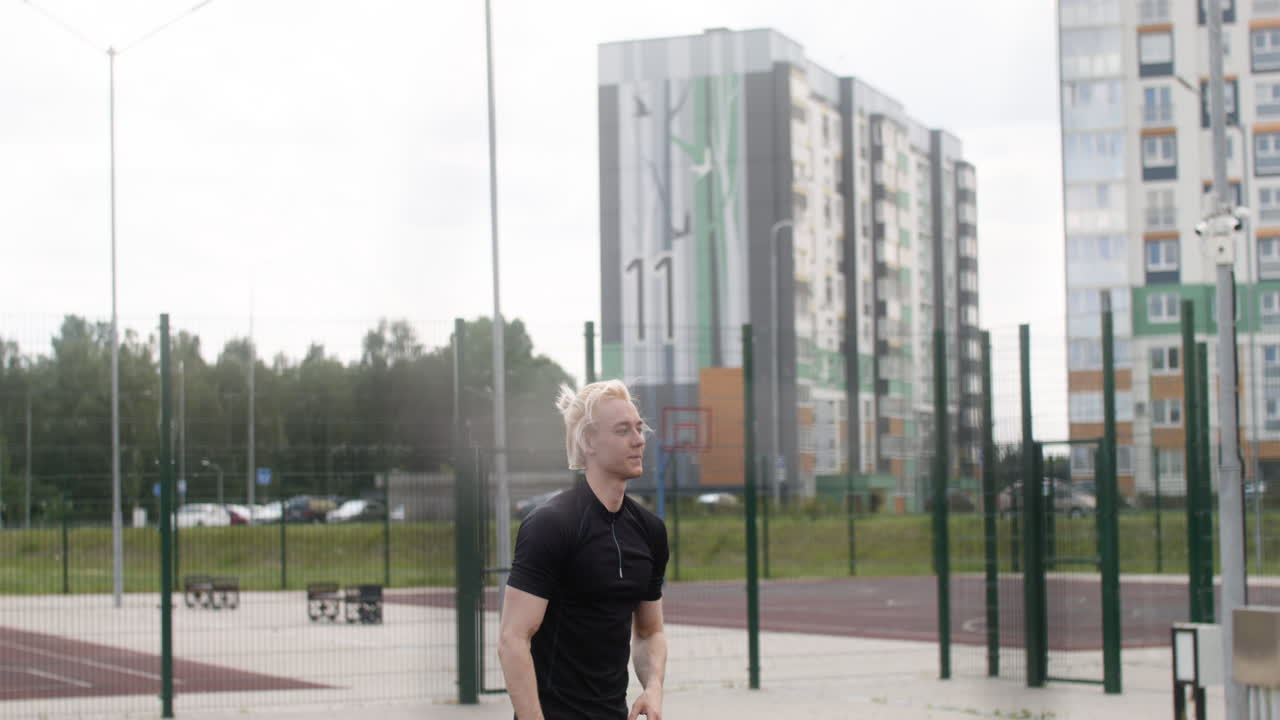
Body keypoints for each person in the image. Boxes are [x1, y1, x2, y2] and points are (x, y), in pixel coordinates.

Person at [499, 380, 669, 720]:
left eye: (639, 428)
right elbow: (513, 639)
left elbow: (650, 631)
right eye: (623, 430)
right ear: (589, 441)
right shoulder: (552, 525)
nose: (638, 440)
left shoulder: (649, 531)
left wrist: (653, 689)